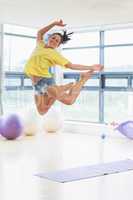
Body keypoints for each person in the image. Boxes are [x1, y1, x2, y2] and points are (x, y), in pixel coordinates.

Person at [24, 19, 103, 115]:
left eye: (57, 41)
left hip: (45, 81)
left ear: (58, 45)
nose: (54, 41)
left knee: (68, 100)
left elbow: (71, 65)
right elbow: (40, 32)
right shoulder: (40, 45)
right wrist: (54, 24)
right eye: (53, 38)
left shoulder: (55, 54)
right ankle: (75, 82)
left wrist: (91, 67)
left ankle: (71, 84)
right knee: (42, 111)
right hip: (36, 85)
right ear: (49, 38)